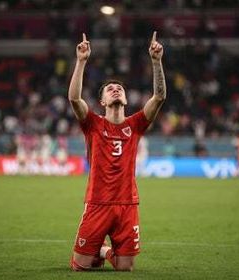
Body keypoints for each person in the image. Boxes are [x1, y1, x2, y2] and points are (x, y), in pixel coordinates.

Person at [68, 32, 166, 271]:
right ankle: (96, 249)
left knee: (125, 268)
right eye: (110, 88)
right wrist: (81, 61)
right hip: (98, 203)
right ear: (101, 101)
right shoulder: (92, 124)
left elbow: (160, 96)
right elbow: (74, 98)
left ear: (125, 98)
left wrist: (156, 62)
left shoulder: (135, 124)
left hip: (127, 205)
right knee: (80, 266)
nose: (115, 89)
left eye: (119, 88)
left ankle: (103, 250)